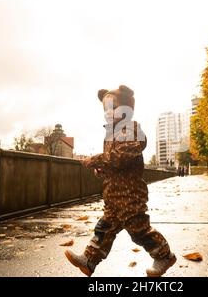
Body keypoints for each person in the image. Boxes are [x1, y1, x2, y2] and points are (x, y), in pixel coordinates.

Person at [65, 85, 176, 277]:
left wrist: (96, 159)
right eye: (106, 109)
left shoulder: (130, 129)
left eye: (113, 108)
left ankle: (164, 256)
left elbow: (122, 157)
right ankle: (89, 260)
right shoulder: (111, 134)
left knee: (139, 230)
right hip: (113, 194)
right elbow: (113, 163)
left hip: (129, 194)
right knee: (104, 228)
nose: (109, 112)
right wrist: (101, 170)